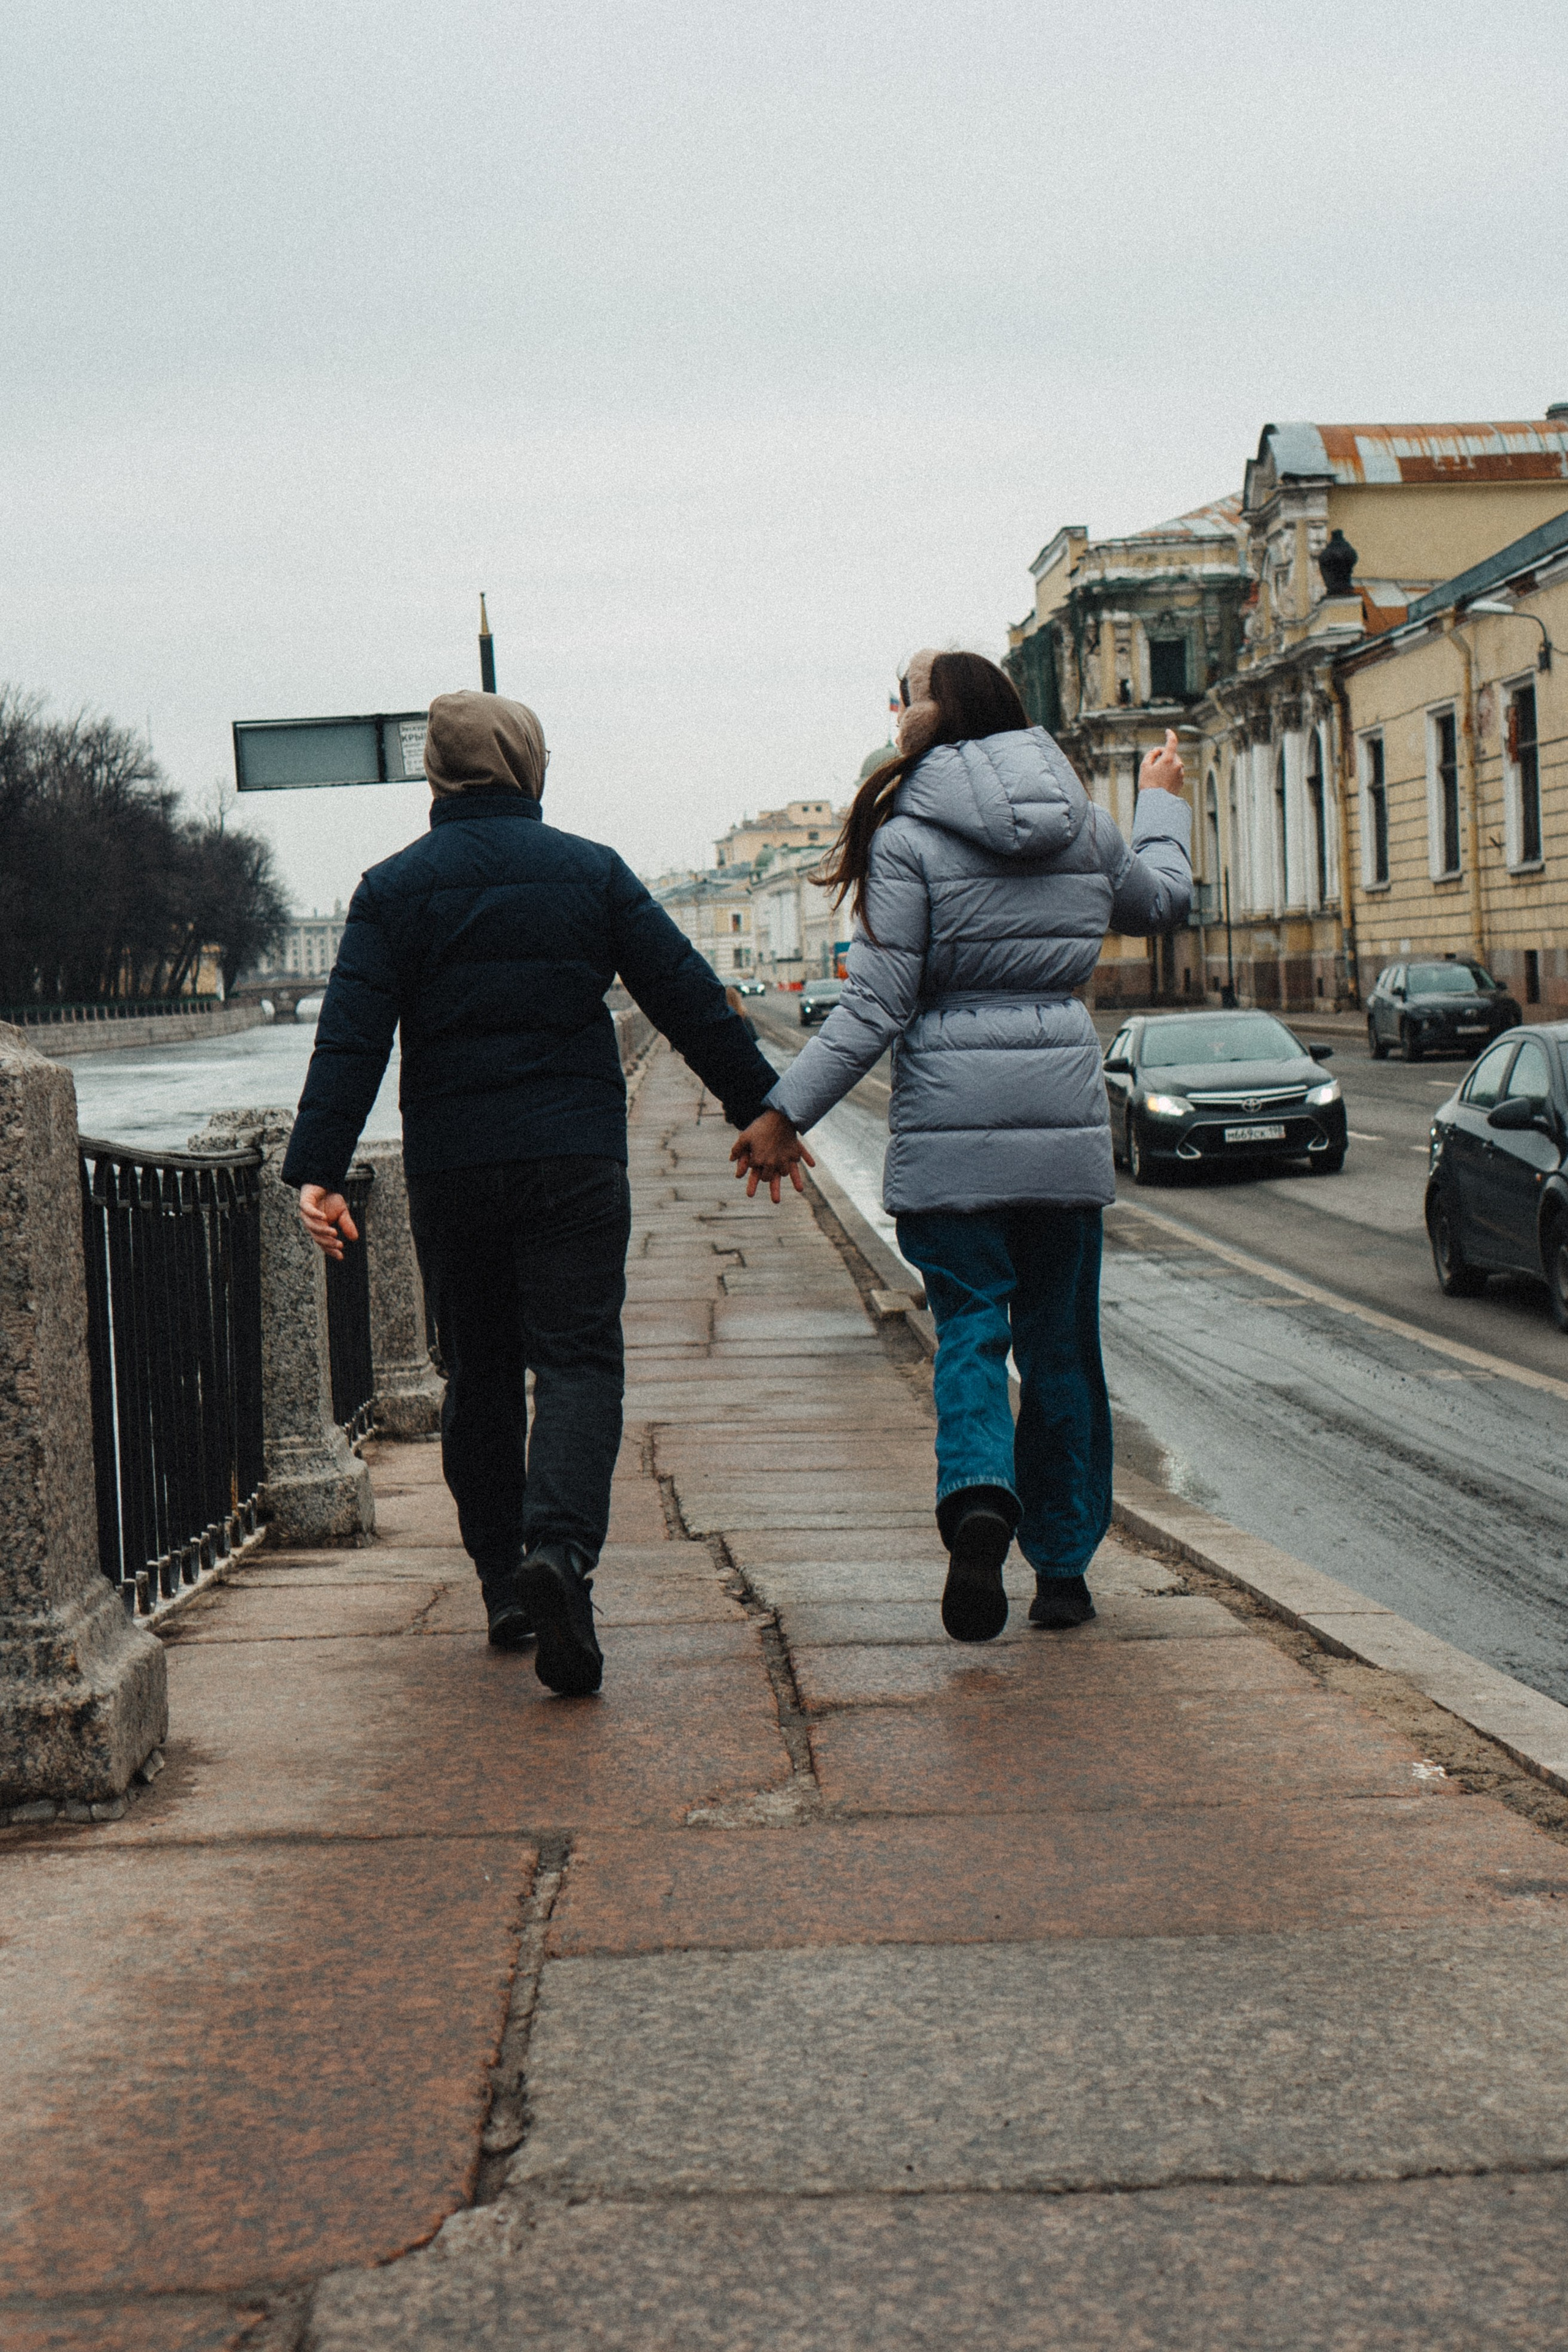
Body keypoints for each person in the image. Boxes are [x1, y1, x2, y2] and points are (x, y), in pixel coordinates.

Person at [282, 689, 786, 1698]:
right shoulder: (590, 872)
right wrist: (764, 1108)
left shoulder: (391, 889)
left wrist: (319, 1171)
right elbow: (685, 995)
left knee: (478, 1370)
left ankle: (502, 1587)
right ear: (530, 768)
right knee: (579, 1364)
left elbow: (353, 1039)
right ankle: (559, 1554)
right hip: (575, 1161)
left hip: (456, 1168)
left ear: (435, 776)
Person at [731, 649, 1190, 1643]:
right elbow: (1164, 904)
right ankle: (1062, 1569)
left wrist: (783, 1114)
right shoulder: (1083, 820)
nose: (892, 708)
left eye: (903, 693)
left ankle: (981, 1495)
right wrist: (1161, 803)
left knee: (972, 1331)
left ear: (938, 714)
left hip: (951, 1136)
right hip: (1061, 1135)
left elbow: (876, 1007)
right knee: (1064, 1354)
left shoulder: (908, 832)